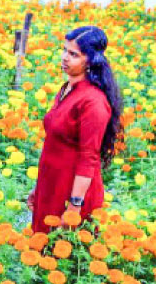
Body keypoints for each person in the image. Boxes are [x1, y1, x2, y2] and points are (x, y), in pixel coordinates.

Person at [28, 26, 123, 233]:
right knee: (40, 246)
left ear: (90, 61)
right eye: (64, 50)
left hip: (73, 192)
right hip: (51, 184)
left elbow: (89, 157)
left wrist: (74, 205)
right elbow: (55, 144)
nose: (65, 58)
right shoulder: (67, 89)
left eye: (74, 54)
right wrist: (39, 187)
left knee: (63, 249)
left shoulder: (93, 101)